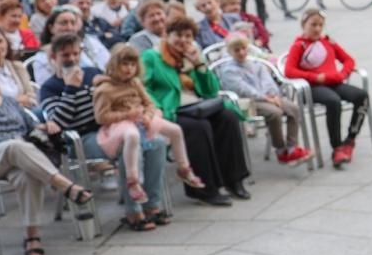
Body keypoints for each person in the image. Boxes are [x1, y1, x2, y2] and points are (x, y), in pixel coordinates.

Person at [0, 64, 94, 255]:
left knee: (27, 175)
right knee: (14, 146)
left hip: (20, 159)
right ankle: (65, 186)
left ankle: (32, 237)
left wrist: (47, 126)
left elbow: (31, 127)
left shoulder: (8, 102)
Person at [37, 33, 169, 231]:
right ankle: (133, 211)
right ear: (53, 57)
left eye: (75, 54)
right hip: (81, 138)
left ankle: (152, 205)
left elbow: (118, 93)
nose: (72, 59)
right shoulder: (50, 87)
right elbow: (59, 122)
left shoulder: (92, 73)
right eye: (65, 55)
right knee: (126, 146)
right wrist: (71, 89)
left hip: (111, 128)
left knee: (156, 143)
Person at [142, 14, 250, 205]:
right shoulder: (152, 56)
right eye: (178, 35)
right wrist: (157, 108)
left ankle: (233, 180)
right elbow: (144, 88)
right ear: (167, 35)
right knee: (199, 127)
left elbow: (211, 91)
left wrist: (199, 64)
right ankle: (205, 189)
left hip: (199, 105)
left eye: (188, 36)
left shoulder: (191, 55)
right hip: (171, 109)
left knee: (228, 117)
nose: (183, 40)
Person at [94, 42, 202, 204]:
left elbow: (149, 103)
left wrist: (148, 115)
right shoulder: (105, 89)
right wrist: (126, 114)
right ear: (115, 64)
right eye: (124, 64)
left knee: (175, 130)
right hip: (120, 124)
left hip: (140, 118)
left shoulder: (135, 82)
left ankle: (184, 168)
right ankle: (133, 181)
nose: (129, 69)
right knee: (132, 136)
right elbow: (101, 117)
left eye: (132, 65)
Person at [283, 8, 368, 168]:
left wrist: (343, 73)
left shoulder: (328, 42)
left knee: (361, 96)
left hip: (334, 82)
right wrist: (314, 77)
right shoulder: (299, 45)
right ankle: (337, 148)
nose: (317, 29)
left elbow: (349, 60)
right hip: (312, 88)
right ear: (304, 25)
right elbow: (289, 71)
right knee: (333, 101)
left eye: (320, 25)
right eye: (313, 25)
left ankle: (350, 140)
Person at [218, 33, 310, 165]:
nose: (241, 52)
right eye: (237, 50)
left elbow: (267, 80)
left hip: (268, 97)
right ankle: (280, 149)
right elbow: (243, 89)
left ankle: (292, 147)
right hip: (248, 102)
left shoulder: (255, 64)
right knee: (275, 113)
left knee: (293, 108)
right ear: (230, 52)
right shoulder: (229, 71)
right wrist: (265, 98)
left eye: (243, 48)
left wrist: (273, 94)